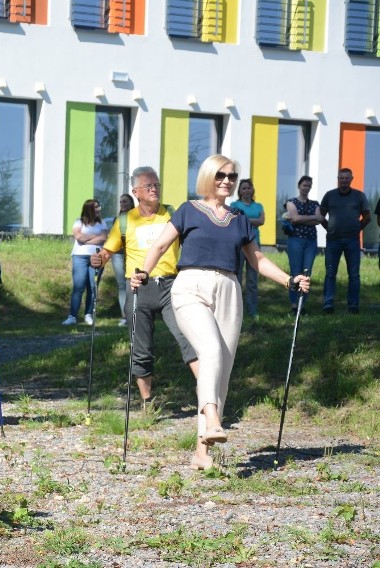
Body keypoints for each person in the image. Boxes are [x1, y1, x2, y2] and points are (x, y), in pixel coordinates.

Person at [131, 154, 310, 471]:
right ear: (208, 177)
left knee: (222, 371)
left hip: (229, 289)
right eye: (221, 175)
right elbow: (159, 247)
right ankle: (211, 415)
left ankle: (202, 453)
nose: (227, 180)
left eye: (232, 175)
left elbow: (257, 260)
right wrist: (142, 273)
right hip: (190, 286)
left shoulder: (240, 219)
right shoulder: (189, 210)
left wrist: (290, 280)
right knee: (210, 350)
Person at [90, 167, 198, 411]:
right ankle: (147, 402)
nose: (154, 190)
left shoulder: (172, 213)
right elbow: (108, 250)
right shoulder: (125, 220)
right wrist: (99, 259)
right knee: (141, 348)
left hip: (171, 285)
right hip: (138, 287)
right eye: (148, 186)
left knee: (189, 338)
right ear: (135, 191)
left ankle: (209, 396)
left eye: (157, 185)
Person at [319, 168, 371, 314]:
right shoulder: (330, 195)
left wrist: (358, 228)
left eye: (347, 178)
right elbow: (321, 216)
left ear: (351, 179)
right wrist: (328, 228)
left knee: (354, 274)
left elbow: (367, 217)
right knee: (330, 273)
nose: (344, 181)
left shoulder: (359, 196)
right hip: (333, 240)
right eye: (341, 178)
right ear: (338, 178)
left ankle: (353, 305)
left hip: (352, 240)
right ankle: (328, 303)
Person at [62, 199, 107, 326]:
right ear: (89, 209)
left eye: (99, 207)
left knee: (93, 287)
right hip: (80, 257)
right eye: (96, 207)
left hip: (97, 257)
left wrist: (87, 240)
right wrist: (95, 237)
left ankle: (88, 315)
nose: (99, 209)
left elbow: (104, 237)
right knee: (79, 286)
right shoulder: (79, 221)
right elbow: (79, 237)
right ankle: (72, 316)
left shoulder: (102, 223)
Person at [284, 176, 323, 314]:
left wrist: (301, 219)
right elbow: (295, 218)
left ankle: (302, 304)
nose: (306, 187)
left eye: (309, 185)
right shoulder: (291, 202)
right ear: (299, 186)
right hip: (295, 240)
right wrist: (312, 217)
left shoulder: (315, 203)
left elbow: (319, 220)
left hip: (311, 242)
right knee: (295, 271)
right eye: (304, 185)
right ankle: (294, 304)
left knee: (307, 273)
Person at [231, 179, 265, 318]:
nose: (246, 191)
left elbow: (261, 221)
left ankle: (252, 311)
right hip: (238, 244)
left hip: (254, 245)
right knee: (236, 278)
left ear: (252, 190)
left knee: (252, 280)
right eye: (243, 188)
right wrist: (252, 221)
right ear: (239, 191)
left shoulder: (259, 206)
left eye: (248, 188)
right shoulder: (234, 205)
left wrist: (243, 218)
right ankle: (236, 311)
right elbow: (234, 220)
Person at [110, 193, 134, 326]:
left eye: (125, 202)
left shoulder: (137, 218)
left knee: (133, 283)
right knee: (121, 285)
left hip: (132, 254)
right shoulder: (117, 219)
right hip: (118, 254)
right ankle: (124, 316)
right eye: (121, 202)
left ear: (131, 203)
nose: (123, 204)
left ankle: (136, 313)